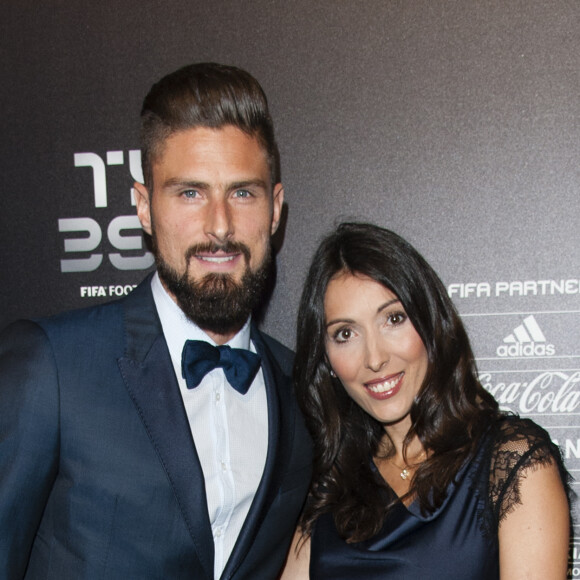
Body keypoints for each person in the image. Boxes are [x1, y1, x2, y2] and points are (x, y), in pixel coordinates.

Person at [0, 63, 312, 579]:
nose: (219, 226)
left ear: (275, 209)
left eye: (242, 193)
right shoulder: (52, 366)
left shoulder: (300, 391)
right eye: (190, 193)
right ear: (144, 207)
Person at [282, 222, 571, 579]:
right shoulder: (329, 485)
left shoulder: (510, 461)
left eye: (393, 319)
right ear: (325, 358)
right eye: (345, 334)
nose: (374, 358)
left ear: (430, 322)